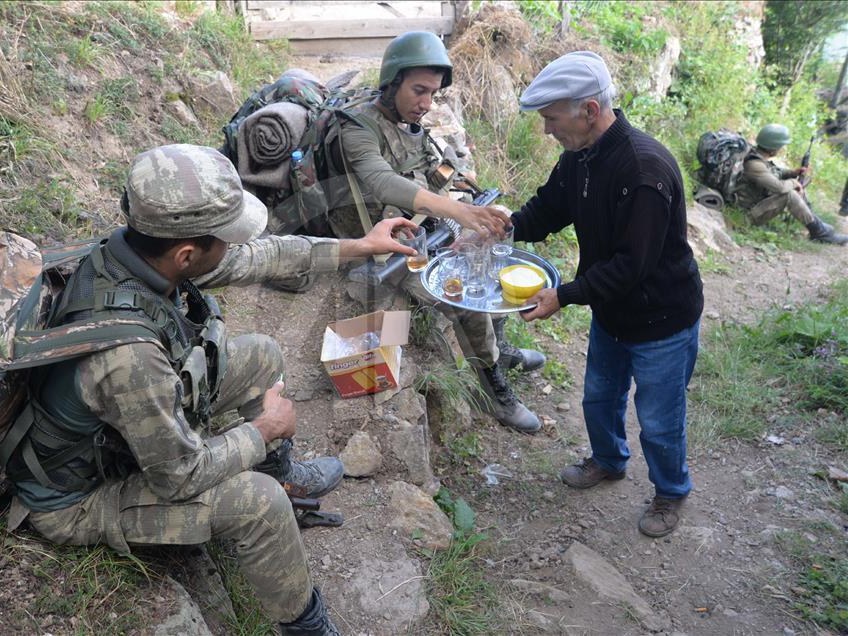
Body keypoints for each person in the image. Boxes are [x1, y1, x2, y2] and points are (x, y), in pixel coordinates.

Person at [3, 144, 421, 635]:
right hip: (76, 499)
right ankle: (306, 625)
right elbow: (178, 477)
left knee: (262, 352)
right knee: (260, 503)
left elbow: (265, 256)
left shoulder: (137, 255)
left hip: (116, 432)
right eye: (224, 238)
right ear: (187, 253)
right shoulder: (128, 358)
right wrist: (262, 431)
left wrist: (360, 245)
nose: (232, 247)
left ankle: (286, 476)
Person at [511, 52, 704, 538]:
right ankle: (608, 460)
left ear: (589, 111)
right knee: (599, 398)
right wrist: (503, 227)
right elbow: (548, 208)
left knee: (659, 419)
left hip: (662, 318)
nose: (548, 129)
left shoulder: (644, 169)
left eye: (552, 119)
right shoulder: (581, 157)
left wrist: (565, 294)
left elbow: (631, 266)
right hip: (613, 312)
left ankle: (670, 492)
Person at [318, 31, 547, 433]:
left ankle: (501, 350)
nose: (426, 104)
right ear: (392, 83)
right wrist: (457, 210)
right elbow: (382, 182)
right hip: (383, 245)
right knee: (463, 295)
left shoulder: (408, 123)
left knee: (494, 246)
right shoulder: (356, 129)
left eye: (433, 94)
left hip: (422, 231)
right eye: (418, 91)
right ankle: (495, 390)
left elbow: (434, 173)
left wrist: (466, 200)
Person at [736, 124, 847, 245]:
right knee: (789, 194)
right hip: (748, 215)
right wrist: (793, 182)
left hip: (757, 206)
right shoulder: (754, 164)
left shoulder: (758, 156)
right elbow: (779, 187)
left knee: (797, 186)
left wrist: (793, 173)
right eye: (781, 146)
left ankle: (816, 223)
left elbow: (774, 172)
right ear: (773, 147)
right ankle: (820, 233)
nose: (782, 148)